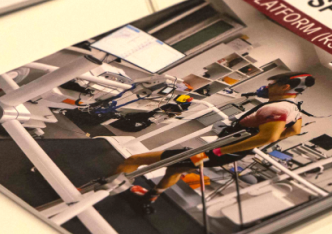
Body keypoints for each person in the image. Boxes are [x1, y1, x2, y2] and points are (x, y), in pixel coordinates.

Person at [115, 72, 314, 213]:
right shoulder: (294, 108)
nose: (267, 87)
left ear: (285, 87)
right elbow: (294, 131)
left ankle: (108, 187)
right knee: (175, 169)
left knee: (135, 159)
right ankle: (148, 198)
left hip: (215, 153)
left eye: (272, 84)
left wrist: (222, 150)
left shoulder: (277, 108)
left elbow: (269, 137)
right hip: (221, 154)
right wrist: (244, 144)